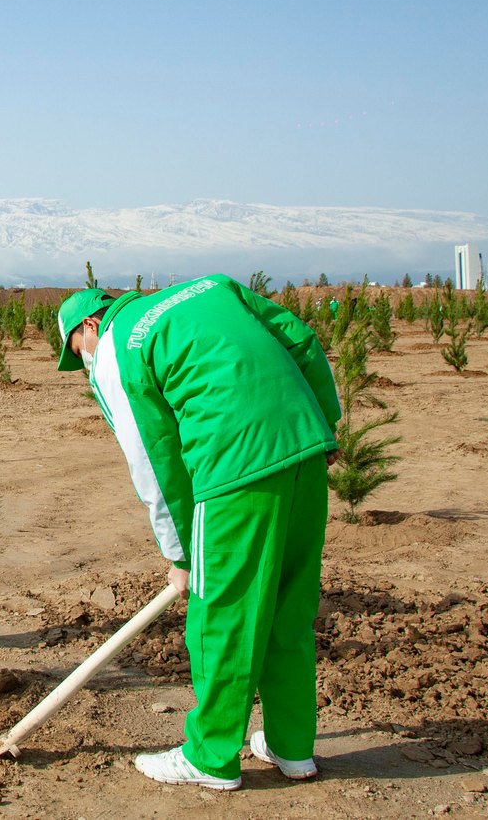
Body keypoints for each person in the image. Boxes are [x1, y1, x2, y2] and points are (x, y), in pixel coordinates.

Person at [55, 274, 341, 789]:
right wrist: (327, 424)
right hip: (306, 444)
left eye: (79, 352)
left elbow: (153, 460)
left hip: (236, 470)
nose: (86, 366)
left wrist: (181, 552)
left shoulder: (120, 348)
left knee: (222, 615)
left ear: (90, 323)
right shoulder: (212, 287)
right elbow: (300, 340)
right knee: (288, 605)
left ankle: (210, 758)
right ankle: (292, 747)